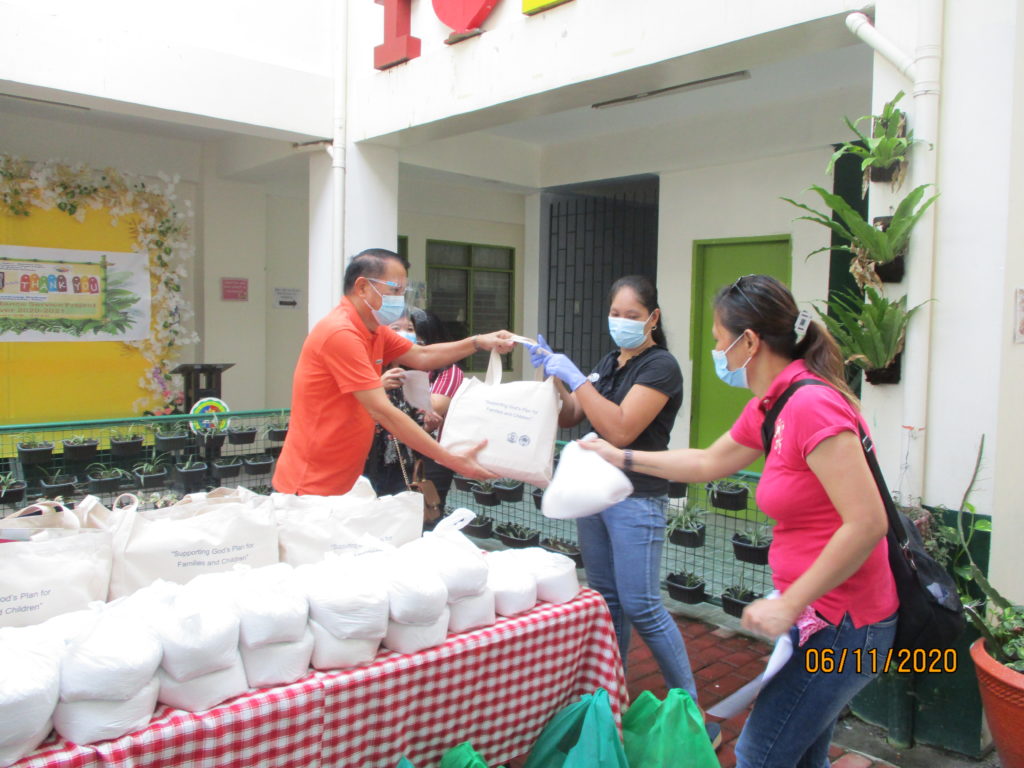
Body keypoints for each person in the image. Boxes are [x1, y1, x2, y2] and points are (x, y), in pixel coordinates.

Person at [579, 274, 898, 768]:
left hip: (846, 625)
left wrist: (788, 602)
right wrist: (621, 458)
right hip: (815, 619)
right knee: (801, 756)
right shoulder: (773, 405)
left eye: (718, 341)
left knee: (759, 753)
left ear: (748, 341)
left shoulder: (812, 404)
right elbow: (707, 462)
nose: (717, 352)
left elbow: (866, 522)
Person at [527, 275, 708, 739]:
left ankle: (692, 713)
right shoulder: (610, 361)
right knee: (608, 603)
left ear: (653, 318)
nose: (621, 322)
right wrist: (554, 376)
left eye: (632, 315)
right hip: (594, 493)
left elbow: (622, 428)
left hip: (635, 498)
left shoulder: (660, 367)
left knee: (642, 604)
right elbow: (573, 415)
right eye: (615, 314)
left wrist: (574, 377)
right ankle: (613, 697)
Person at [273, 248, 513, 496]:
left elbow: (423, 356)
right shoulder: (341, 333)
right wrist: (450, 459)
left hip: (343, 477)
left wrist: (478, 342)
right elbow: (382, 410)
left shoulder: (373, 330)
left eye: (403, 291)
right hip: (310, 483)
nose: (400, 299)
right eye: (395, 290)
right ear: (363, 287)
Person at [363, 309, 464, 502]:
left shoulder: (410, 376)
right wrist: (377, 386)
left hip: (401, 467)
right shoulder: (369, 369)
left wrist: (428, 426)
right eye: (396, 329)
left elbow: (414, 424)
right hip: (366, 463)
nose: (408, 336)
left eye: (409, 329)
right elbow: (355, 409)